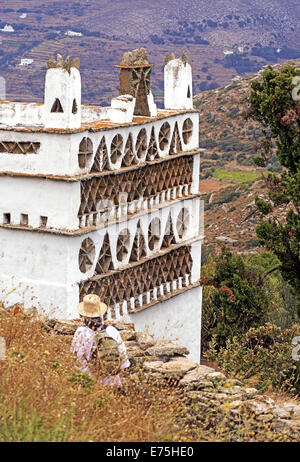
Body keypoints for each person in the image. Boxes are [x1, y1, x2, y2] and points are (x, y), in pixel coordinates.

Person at [71, 294, 130, 386]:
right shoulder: (112, 330)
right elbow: (123, 357)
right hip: (112, 381)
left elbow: (76, 357)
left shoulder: (81, 332)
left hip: (91, 381)